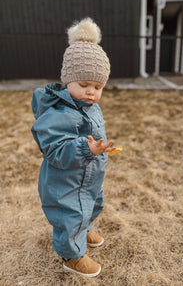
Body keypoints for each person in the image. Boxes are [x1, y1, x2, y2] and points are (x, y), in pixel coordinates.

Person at [31, 18, 115, 278]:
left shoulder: (90, 106)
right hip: (65, 180)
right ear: (68, 80)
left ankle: (84, 229)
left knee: (92, 202)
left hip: (87, 175)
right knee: (70, 214)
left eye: (98, 87)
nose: (91, 92)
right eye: (84, 85)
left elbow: (93, 134)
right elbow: (55, 150)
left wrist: (100, 149)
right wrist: (86, 149)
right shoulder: (58, 113)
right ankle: (71, 256)